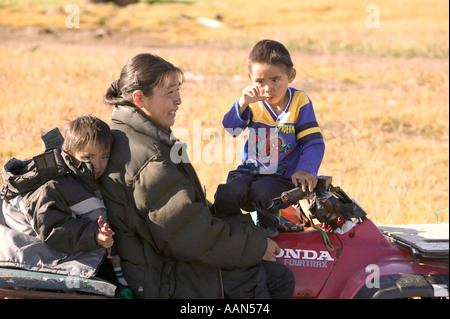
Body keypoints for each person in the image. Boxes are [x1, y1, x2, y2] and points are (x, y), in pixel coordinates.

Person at [100, 52, 295, 299]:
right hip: (161, 276)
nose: (178, 100)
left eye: (178, 90)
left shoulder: (133, 134)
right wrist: (255, 244)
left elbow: (184, 218)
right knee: (275, 279)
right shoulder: (148, 158)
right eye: (169, 92)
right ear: (139, 98)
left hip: (159, 259)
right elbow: (188, 234)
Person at [0, 115, 132, 298]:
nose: (98, 164)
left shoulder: (84, 177)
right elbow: (51, 227)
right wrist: (93, 235)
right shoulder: (53, 185)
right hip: (26, 251)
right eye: (88, 157)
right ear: (69, 152)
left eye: (104, 156)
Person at [213, 39, 325, 237]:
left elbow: (313, 142)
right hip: (251, 171)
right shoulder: (252, 103)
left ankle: (267, 228)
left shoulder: (300, 102)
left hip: (281, 178)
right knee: (229, 191)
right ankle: (223, 228)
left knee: (262, 192)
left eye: (275, 79)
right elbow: (231, 129)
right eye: (260, 81)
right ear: (250, 79)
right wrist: (242, 104)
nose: (267, 88)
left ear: (291, 76)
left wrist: (306, 170)